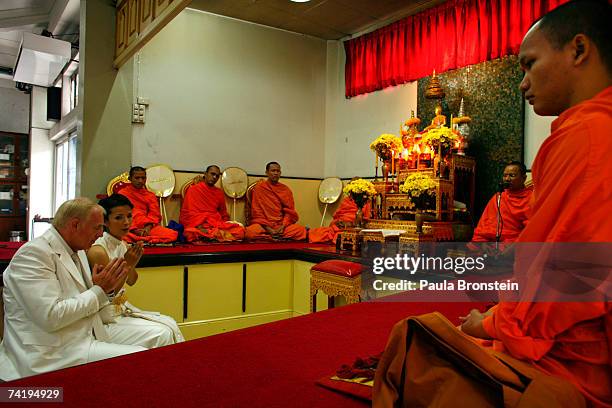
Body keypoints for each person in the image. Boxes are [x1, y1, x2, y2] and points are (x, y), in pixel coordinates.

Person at [376, 1, 612, 406]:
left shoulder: (588, 135)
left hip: (571, 367)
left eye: (529, 63)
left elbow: (568, 273)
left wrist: (491, 323)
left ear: (578, 50)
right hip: (572, 339)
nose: (523, 84)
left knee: (410, 342)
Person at [0, 198, 147, 381]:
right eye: (97, 228)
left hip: (83, 335)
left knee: (160, 338)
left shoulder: (77, 250)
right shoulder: (33, 254)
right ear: (75, 225)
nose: (101, 234)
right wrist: (99, 290)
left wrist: (106, 289)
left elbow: (92, 298)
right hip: (48, 351)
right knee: (141, 360)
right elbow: (51, 316)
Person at [87, 194, 184, 346]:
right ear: (105, 221)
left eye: (129, 216)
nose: (126, 222)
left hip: (122, 309)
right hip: (104, 318)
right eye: (119, 218)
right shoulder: (98, 250)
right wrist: (127, 264)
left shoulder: (122, 244)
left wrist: (131, 263)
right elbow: (108, 295)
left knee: (170, 323)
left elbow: (132, 280)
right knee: (162, 333)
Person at [470, 161, 533, 244]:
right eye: (505, 175)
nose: (507, 179)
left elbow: (531, 229)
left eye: (512, 175)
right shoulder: (498, 197)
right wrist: (483, 244)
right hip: (491, 239)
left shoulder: (531, 198)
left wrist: (512, 248)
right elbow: (484, 226)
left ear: (524, 178)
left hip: (514, 241)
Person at [180, 165, 245, 242]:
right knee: (189, 233)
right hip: (198, 226)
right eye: (212, 174)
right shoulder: (193, 190)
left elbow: (223, 213)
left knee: (240, 231)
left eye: (217, 176)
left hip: (215, 224)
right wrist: (198, 225)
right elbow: (187, 214)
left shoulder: (219, 193)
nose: (214, 177)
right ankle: (213, 235)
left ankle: (211, 235)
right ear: (205, 174)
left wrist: (225, 225)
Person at [245, 162, 307, 241]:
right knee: (250, 232)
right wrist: (269, 229)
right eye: (273, 171)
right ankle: (273, 237)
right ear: (266, 172)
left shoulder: (285, 190)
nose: (275, 173)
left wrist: (283, 226)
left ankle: (270, 237)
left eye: (278, 171)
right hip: (263, 225)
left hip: (280, 225)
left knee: (301, 230)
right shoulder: (259, 188)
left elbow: (289, 212)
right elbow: (257, 212)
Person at [118, 166, 178, 244]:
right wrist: (134, 229)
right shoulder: (122, 194)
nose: (140, 181)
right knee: (120, 235)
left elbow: (155, 214)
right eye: (137, 178)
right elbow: (121, 215)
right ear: (130, 178)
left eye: (143, 178)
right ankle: (147, 240)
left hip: (147, 228)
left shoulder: (150, 195)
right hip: (129, 228)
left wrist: (147, 228)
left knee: (172, 234)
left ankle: (141, 240)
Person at [309, 179, 372, 244]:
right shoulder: (347, 200)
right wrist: (339, 222)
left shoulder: (365, 202)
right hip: (340, 225)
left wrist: (350, 224)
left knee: (338, 236)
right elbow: (337, 215)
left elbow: (366, 219)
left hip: (352, 227)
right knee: (319, 232)